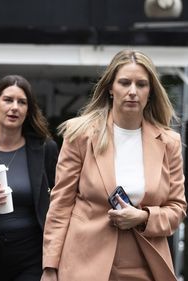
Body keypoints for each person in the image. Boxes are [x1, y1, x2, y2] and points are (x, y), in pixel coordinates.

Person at [41, 50, 186, 281]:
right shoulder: (80, 135)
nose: (132, 91)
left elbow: (177, 208)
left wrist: (143, 217)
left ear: (150, 92)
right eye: (124, 83)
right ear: (111, 88)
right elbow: (60, 205)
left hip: (146, 263)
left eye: (141, 84)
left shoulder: (168, 142)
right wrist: (50, 266)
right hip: (84, 263)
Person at [0, 75, 58, 281]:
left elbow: (59, 201)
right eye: (8, 100)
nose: (15, 107)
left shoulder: (44, 149)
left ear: (28, 110)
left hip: (31, 252)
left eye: (22, 102)